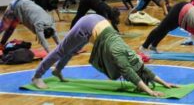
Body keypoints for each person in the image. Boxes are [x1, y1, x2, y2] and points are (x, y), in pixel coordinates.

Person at [31, 14, 178, 97]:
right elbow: (130, 74)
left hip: (98, 23)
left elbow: (142, 69)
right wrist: (150, 92)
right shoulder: (118, 54)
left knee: (74, 49)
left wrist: (165, 83)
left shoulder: (129, 52)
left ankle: (57, 70)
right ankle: (37, 76)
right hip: (87, 25)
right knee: (61, 50)